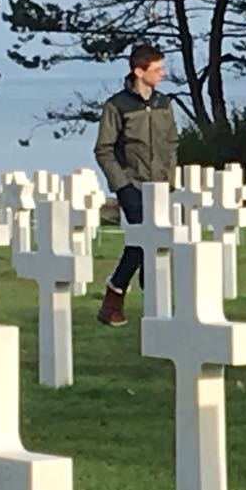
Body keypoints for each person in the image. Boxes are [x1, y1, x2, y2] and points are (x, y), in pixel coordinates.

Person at [93, 45, 178, 327]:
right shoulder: (116, 106)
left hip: (162, 187)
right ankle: (115, 298)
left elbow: (171, 144)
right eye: (157, 70)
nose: (162, 74)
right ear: (138, 71)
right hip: (133, 186)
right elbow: (104, 150)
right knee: (142, 243)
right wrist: (123, 186)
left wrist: (170, 177)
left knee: (157, 244)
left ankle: (146, 304)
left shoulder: (163, 103)